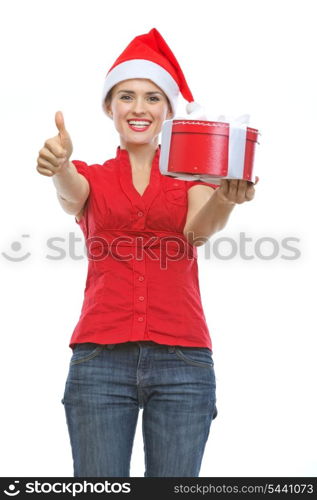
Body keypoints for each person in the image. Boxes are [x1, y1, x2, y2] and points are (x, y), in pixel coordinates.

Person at [36, 28, 259, 477]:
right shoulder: (91, 177)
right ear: (109, 107)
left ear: (169, 110)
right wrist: (60, 167)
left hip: (184, 360)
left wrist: (225, 197)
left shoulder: (190, 179)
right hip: (99, 358)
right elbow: (70, 194)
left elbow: (198, 232)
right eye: (127, 96)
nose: (139, 108)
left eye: (153, 98)